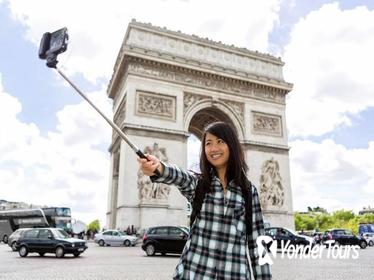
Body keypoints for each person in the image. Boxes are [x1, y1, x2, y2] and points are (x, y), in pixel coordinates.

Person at [138, 121, 271, 280]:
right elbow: (181, 177)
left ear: (232, 145)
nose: (214, 148)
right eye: (208, 143)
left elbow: (259, 243)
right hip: (195, 273)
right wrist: (159, 167)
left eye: (220, 141)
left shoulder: (249, 192)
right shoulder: (198, 185)